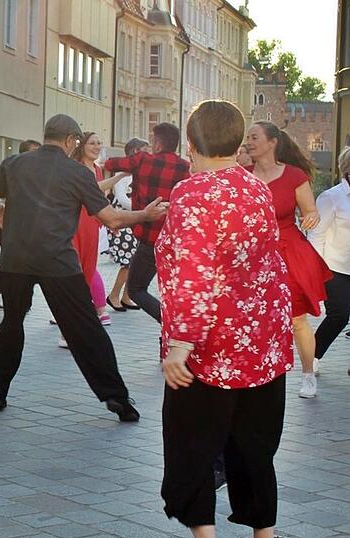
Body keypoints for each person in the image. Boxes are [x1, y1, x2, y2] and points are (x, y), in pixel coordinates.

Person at [0, 114, 167, 421]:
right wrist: (145, 214)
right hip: (58, 261)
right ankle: (116, 399)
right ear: (70, 141)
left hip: (15, 261)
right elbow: (112, 219)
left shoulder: (15, 164)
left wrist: (1, 209)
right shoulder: (77, 172)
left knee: (11, 323)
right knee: (86, 331)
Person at [157, 99, 292, 538]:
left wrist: (181, 343)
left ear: (192, 141)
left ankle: (205, 534)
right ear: (238, 143)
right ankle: (264, 534)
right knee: (254, 449)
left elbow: (191, 273)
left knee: (191, 449)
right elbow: (267, 261)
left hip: (209, 350)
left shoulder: (192, 193)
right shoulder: (255, 188)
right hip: (261, 344)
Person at [246, 120, 331, 398]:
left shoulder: (294, 176)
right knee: (255, 318)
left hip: (287, 251)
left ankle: (308, 373)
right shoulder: (243, 175)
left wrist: (311, 217)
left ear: (272, 142)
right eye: (248, 137)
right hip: (254, 254)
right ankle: (259, 372)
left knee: (296, 320)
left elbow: (311, 211)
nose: (248, 141)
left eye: (254, 137)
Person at [104, 122, 190, 323]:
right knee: (171, 290)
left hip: (149, 240)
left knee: (136, 289)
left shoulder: (142, 160)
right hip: (173, 240)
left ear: (157, 143)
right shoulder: (185, 168)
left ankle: (170, 322)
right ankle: (174, 323)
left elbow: (111, 164)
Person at [68, 132, 126, 331]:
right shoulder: (76, 168)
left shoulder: (97, 169)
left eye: (99, 143)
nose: (96, 146)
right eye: (92, 143)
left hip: (91, 224)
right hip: (75, 223)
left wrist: (110, 222)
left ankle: (86, 314)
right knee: (74, 271)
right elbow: (93, 188)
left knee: (88, 270)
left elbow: (99, 200)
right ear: (82, 145)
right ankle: (72, 319)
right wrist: (119, 177)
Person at [0, 140, 41, 309]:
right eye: (35, 152)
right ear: (24, 155)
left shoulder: (34, 174)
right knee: (13, 260)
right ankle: (3, 297)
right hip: (6, 223)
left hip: (22, 225)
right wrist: (0, 210)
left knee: (12, 260)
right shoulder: (13, 171)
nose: (39, 156)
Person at [310, 146, 350, 375]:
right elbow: (316, 234)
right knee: (339, 315)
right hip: (335, 268)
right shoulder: (331, 197)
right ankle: (313, 355)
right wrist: (316, 269)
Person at [105, 138, 148, 312]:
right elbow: (122, 198)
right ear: (135, 151)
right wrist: (141, 211)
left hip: (132, 219)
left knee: (132, 261)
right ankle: (115, 295)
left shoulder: (139, 172)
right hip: (123, 220)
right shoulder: (123, 173)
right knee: (128, 261)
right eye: (144, 150)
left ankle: (125, 295)